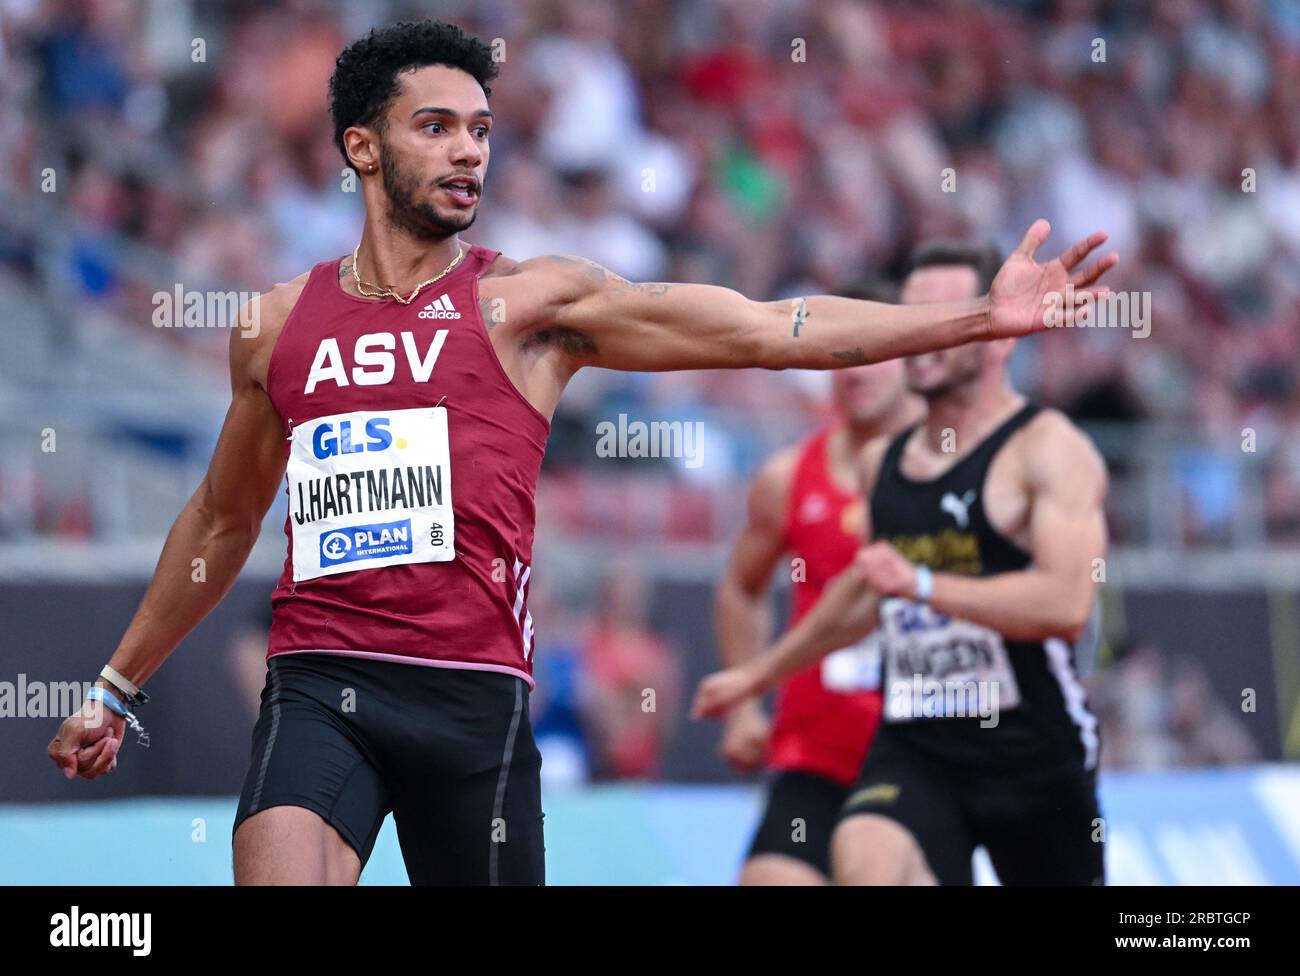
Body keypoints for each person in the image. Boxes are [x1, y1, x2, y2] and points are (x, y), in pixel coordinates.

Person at [46, 21, 1116, 886]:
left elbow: (762, 326)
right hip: (321, 679)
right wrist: (119, 680)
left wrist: (976, 321)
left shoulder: (531, 305)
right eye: (436, 126)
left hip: (475, 704)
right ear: (362, 148)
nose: (470, 149)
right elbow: (224, 518)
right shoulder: (280, 324)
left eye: (480, 128)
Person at [695, 242, 1109, 886]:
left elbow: (1064, 606)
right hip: (915, 743)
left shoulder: (1049, 449)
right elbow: (865, 596)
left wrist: (922, 584)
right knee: (866, 858)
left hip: (1031, 752)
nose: (921, 337)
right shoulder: (880, 466)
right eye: (912, 317)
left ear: (998, 335)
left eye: (947, 315)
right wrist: (756, 677)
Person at [713, 281, 922, 884]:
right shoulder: (788, 477)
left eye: (871, 350)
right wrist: (746, 709)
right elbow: (740, 587)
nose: (853, 368)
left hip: (924, 760)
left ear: (908, 354)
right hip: (817, 757)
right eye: (840, 348)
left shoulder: (947, 473)